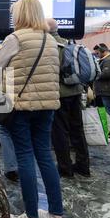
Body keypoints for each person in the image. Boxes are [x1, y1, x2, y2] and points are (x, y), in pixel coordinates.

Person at [0, 0, 67, 218]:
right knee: (45, 156)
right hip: (47, 107)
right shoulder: (51, 40)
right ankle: (57, 215)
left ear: (19, 15)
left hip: (21, 107)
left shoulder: (14, 39)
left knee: (25, 157)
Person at [47, 19, 90, 178]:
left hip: (60, 94)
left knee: (60, 132)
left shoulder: (49, 46)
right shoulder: (68, 43)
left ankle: (65, 168)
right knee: (78, 130)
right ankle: (83, 166)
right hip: (76, 91)